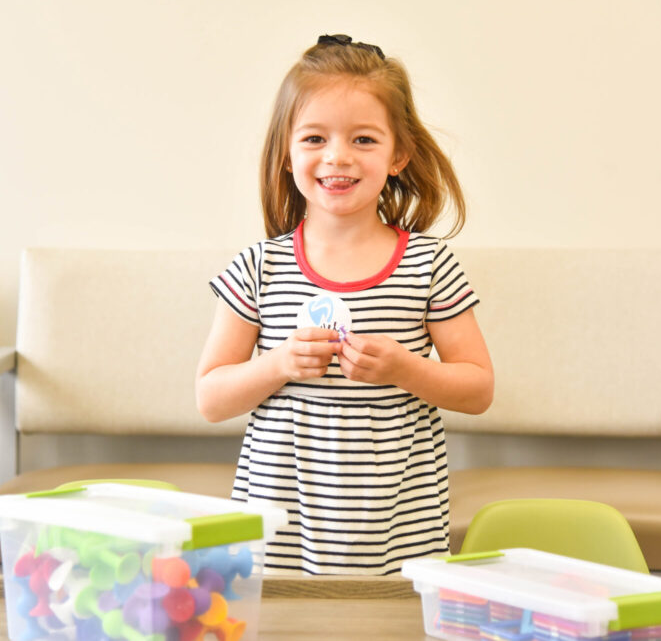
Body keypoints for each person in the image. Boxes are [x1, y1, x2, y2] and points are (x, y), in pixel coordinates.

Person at [195, 34, 494, 575]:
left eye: (362, 139)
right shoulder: (258, 267)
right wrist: (279, 363)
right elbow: (211, 398)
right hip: (279, 524)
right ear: (286, 154)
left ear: (398, 154)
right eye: (314, 138)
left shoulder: (430, 266)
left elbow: (478, 389)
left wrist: (405, 367)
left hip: (398, 526)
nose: (337, 157)